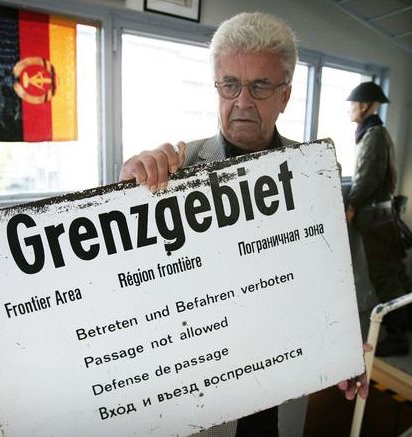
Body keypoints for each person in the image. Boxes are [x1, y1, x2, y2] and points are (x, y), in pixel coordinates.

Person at [120, 11, 370, 437]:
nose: (242, 101)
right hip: (203, 396)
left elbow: (342, 276)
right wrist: (124, 194)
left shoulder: (315, 174)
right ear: (217, 87)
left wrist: (347, 343)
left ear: (285, 96)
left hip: (282, 388)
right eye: (230, 84)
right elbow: (130, 283)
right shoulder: (171, 174)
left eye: (260, 86)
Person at [344, 82, 412, 357]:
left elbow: (367, 178)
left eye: (352, 105)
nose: (349, 110)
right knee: (394, 275)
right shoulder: (377, 133)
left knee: (385, 279)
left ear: (364, 105)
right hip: (382, 215)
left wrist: (351, 204)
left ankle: (398, 339)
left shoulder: (373, 135)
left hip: (375, 218)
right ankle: (407, 326)